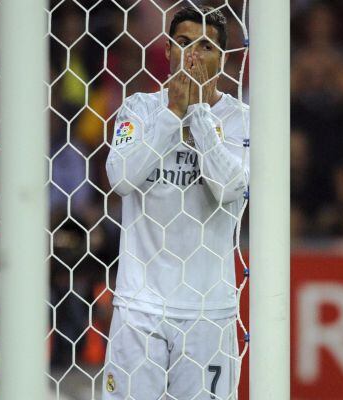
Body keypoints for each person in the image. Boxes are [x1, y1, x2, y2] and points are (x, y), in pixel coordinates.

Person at [103, 6, 249, 399]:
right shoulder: (139, 109)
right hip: (140, 306)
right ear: (167, 50)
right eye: (183, 44)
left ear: (223, 58)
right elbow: (120, 178)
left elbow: (228, 188)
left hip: (208, 310)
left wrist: (198, 114)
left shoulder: (241, 119)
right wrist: (172, 115)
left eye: (205, 47)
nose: (193, 56)